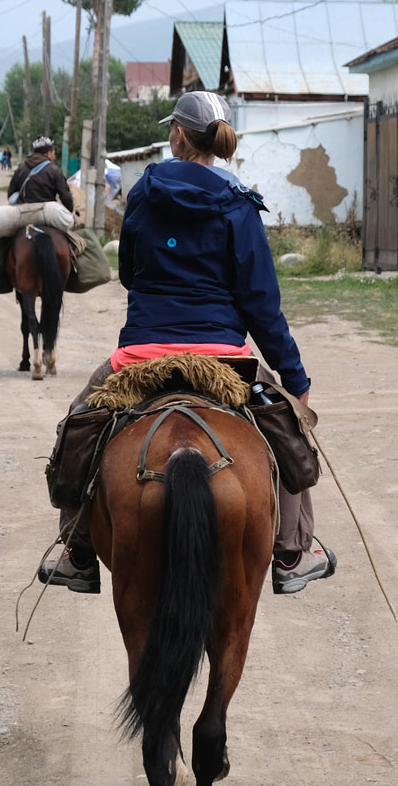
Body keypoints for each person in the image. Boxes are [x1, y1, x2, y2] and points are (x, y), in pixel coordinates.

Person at [40, 90, 336, 596]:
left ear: (176, 134)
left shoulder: (142, 193)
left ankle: (76, 548)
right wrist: (295, 378)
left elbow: (130, 274)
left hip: (142, 354)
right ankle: (292, 551)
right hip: (224, 358)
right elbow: (261, 304)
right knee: (288, 430)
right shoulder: (241, 203)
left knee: (81, 420)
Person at [7, 135, 76, 218]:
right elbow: (65, 197)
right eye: (53, 152)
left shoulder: (21, 168)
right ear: (49, 153)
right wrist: (70, 211)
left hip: (23, 214)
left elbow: (11, 193)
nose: (54, 156)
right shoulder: (55, 171)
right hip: (46, 214)